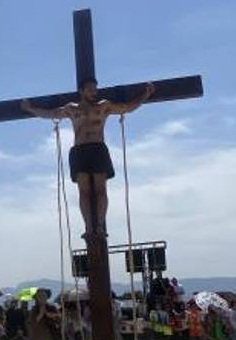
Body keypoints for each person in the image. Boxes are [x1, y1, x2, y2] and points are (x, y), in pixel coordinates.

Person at [21, 80, 154, 238]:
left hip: (98, 148)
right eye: (90, 89)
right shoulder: (72, 109)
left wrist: (145, 94)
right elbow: (51, 114)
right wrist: (30, 108)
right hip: (80, 150)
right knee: (84, 192)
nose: (94, 92)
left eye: (95, 89)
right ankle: (89, 228)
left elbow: (127, 108)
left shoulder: (103, 106)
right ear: (82, 91)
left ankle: (99, 227)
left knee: (100, 190)